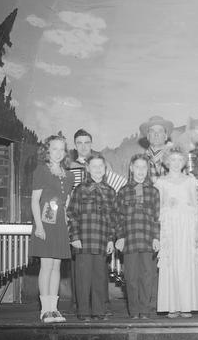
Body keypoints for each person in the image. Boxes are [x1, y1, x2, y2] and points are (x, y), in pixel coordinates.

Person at [155, 148, 198, 318]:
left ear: (183, 162)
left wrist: (197, 231)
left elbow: (195, 205)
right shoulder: (161, 182)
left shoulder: (190, 181)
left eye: (179, 160)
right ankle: (172, 305)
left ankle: (186, 305)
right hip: (169, 227)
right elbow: (159, 207)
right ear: (167, 162)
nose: (176, 163)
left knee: (186, 263)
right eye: (172, 160)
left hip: (187, 226)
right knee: (171, 264)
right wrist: (168, 204)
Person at [30, 135, 74, 323]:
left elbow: (66, 202)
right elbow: (34, 201)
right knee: (46, 265)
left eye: (61, 149)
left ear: (65, 153)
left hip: (60, 226)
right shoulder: (42, 170)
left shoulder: (69, 175)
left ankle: (54, 309)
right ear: (47, 150)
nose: (58, 152)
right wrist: (39, 226)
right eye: (54, 148)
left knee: (56, 266)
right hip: (45, 224)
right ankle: (45, 310)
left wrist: (66, 218)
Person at [67, 155, 117, 321]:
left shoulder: (110, 191)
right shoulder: (80, 189)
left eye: (100, 166)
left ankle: (98, 310)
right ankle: (83, 311)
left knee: (99, 276)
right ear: (87, 168)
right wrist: (74, 236)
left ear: (105, 169)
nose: (97, 169)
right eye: (94, 166)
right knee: (83, 277)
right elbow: (72, 214)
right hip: (84, 240)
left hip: (102, 240)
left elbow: (112, 218)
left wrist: (110, 239)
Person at [115, 154, 160, 319]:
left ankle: (145, 310)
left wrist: (156, 237)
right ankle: (134, 311)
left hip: (148, 240)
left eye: (144, 168)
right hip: (130, 240)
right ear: (131, 168)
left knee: (147, 276)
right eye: (138, 167)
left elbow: (156, 217)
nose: (141, 171)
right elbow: (118, 217)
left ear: (147, 170)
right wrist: (120, 237)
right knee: (131, 277)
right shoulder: (123, 191)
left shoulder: (154, 192)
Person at [139, 116, 174, 182]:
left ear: (166, 136)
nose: (156, 134)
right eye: (152, 131)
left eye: (160, 131)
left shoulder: (177, 158)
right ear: (148, 136)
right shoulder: (139, 161)